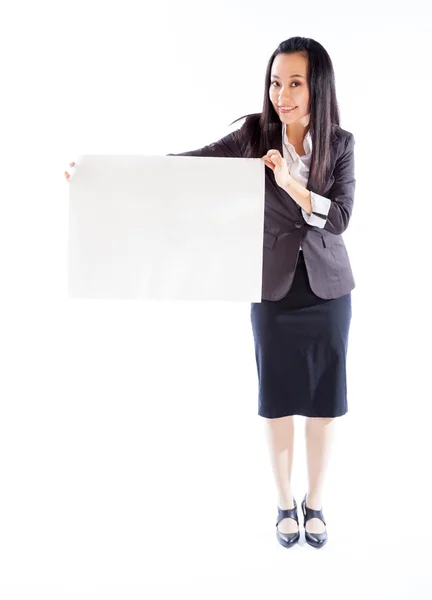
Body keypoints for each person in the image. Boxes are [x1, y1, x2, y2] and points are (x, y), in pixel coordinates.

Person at [65, 36, 356, 550]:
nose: (281, 93)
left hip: (329, 291)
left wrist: (291, 184)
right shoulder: (254, 132)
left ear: (318, 88)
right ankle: (285, 504)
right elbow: (188, 169)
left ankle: (317, 504)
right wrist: (101, 179)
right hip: (270, 289)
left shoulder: (342, 142)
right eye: (275, 81)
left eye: (294, 83)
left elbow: (340, 219)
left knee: (325, 402)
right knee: (278, 399)